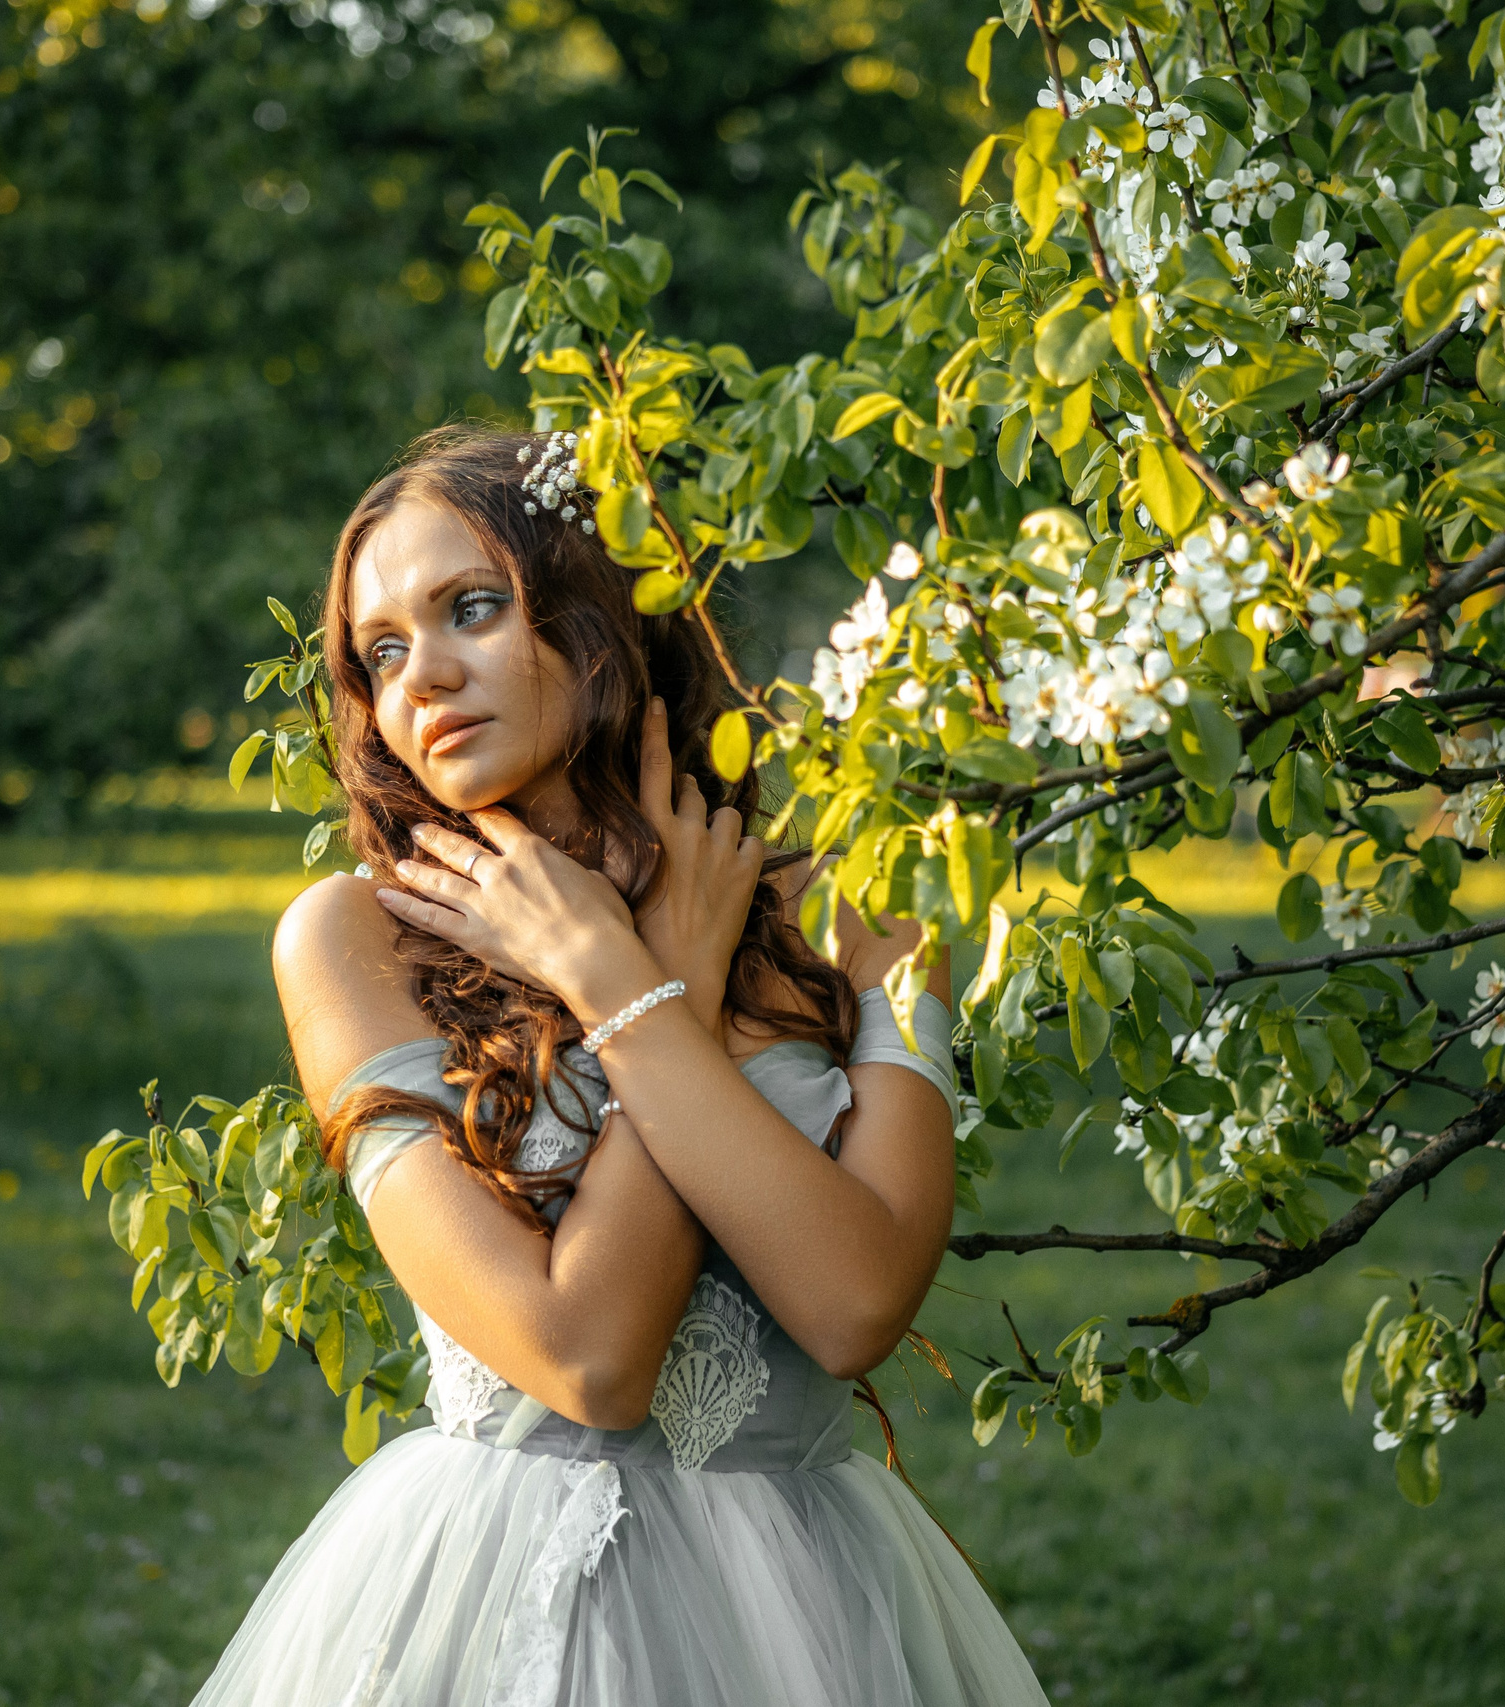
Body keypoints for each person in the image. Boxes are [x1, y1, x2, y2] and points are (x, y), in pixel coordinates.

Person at [190, 426, 1048, 1706]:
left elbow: (855, 1306)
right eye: (381, 651)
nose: (423, 677)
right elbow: (587, 1361)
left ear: (604, 609)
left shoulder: (862, 912)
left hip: (811, 1612)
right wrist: (661, 993)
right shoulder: (353, 941)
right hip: (499, 1594)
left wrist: (623, 991)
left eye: (471, 608)